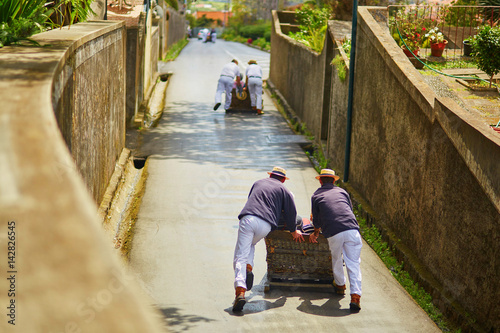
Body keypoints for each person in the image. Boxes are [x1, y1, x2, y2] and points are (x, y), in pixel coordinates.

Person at [232, 167, 304, 312]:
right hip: (266, 225)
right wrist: (293, 230)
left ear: (270, 175)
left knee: (240, 254)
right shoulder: (285, 190)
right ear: (283, 180)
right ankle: (248, 267)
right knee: (251, 244)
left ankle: (240, 290)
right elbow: (292, 213)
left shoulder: (258, 183)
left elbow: (250, 201)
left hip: (249, 219)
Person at [308, 169, 362, 312]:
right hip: (352, 230)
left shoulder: (316, 195)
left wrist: (315, 232)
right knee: (353, 263)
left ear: (320, 181)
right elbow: (348, 209)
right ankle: (355, 296)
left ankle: (340, 285)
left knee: (337, 258)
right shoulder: (343, 192)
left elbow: (317, 220)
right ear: (334, 180)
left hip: (334, 232)